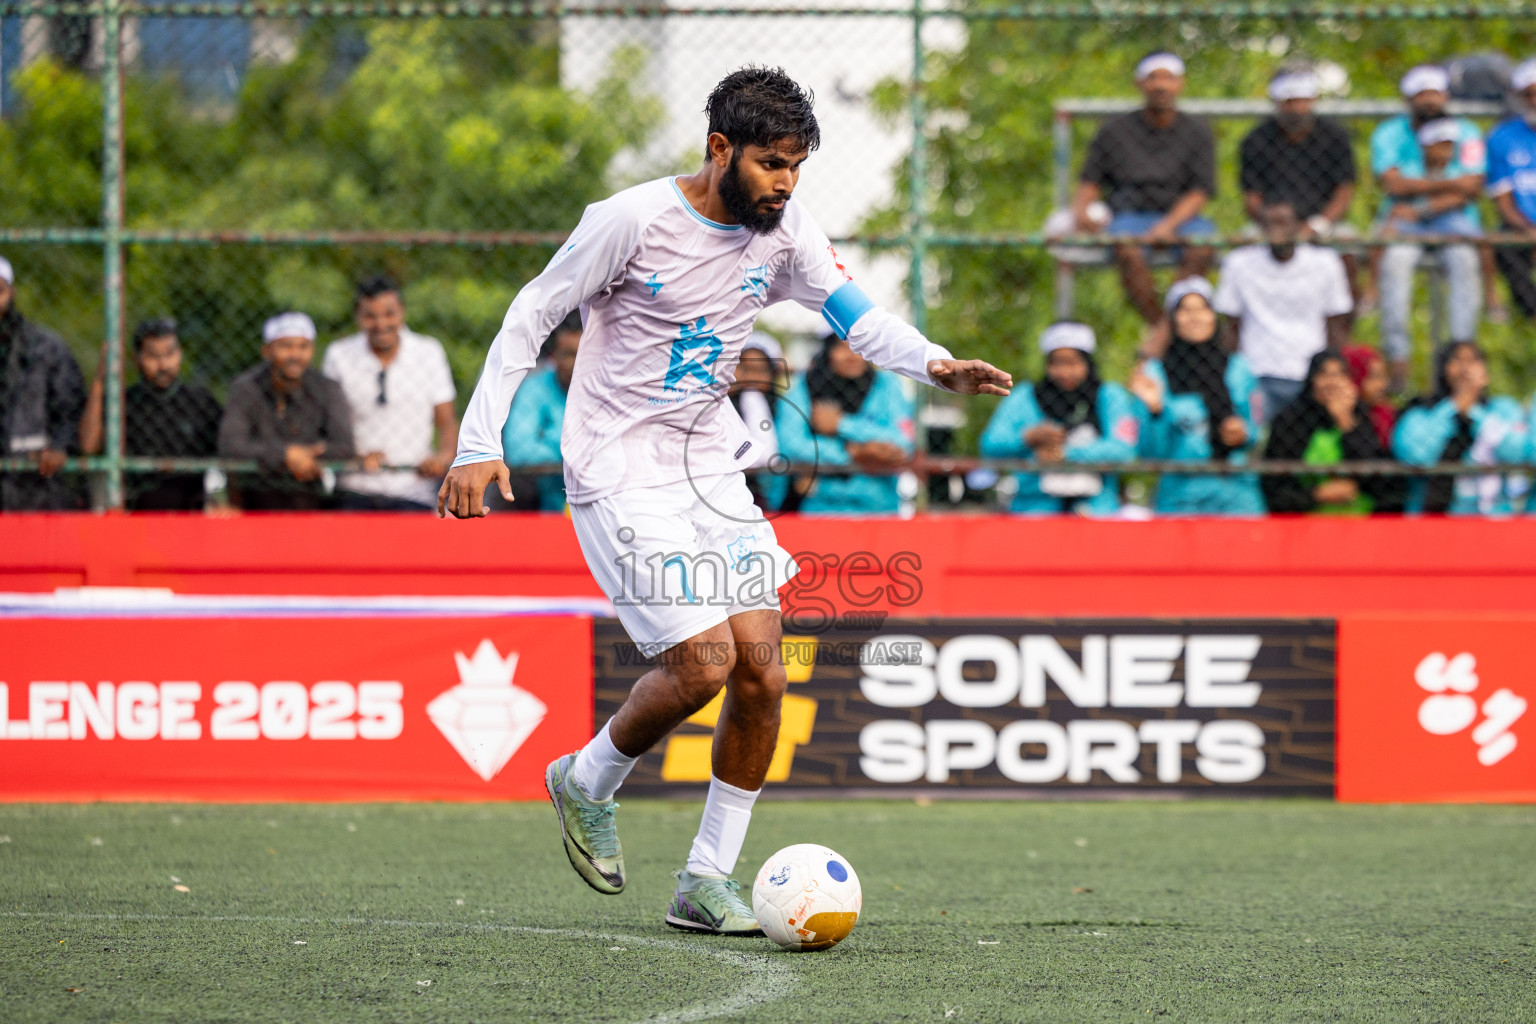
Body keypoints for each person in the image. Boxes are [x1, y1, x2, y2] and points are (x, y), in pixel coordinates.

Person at [436, 68, 1011, 935]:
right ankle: (584, 780)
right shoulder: (629, 221)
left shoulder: (787, 230)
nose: (784, 183)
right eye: (772, 163)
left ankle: (705, 880)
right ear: (720, 149)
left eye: (797, 167)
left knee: (764, 675)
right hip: (619, 469)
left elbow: (855, 316)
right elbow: (530, 316)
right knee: (701, 666)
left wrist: (933, 362)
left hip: (711, 467)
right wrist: (478, 442)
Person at [1071, 51, 1216, 325]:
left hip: (1182, 218)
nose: (1161, 85)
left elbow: (1200, 192)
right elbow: (1089, 181)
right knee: (1126, 249)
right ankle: (1163, 327)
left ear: (1180, 83)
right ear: (1139, 83)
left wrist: (1169, 226)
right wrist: (1081, 212)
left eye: (1168, 78)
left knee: (1203, 246)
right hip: (1129, 215)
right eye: (1153, 78)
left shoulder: (1197, 131)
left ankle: (1167, 326)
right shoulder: (1114, 130)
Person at [1371, 65, 1486, 390]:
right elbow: (1391, 185)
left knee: (1465, 259)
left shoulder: (1468, 131)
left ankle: (1461, 361)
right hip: (1404, 221)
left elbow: (1473, 187)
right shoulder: (1389, 133)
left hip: (1450, 219)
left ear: (1446, 95)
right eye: (1422, 94)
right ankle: (1398, 363)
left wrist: (1421, 199)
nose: (1430, 100)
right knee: (1395, 263)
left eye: (1435, 93)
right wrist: (1451, 186)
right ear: (1408, 99)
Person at [1129, 277, 1265, 516]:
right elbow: (1150, 452)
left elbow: (1256, 429)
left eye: (1203, 308)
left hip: (1235, 487)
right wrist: (1156, 412)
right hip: (1181, 492)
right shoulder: (1155, 374)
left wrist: (1243, 432)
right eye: (1185, 310)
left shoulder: (1238, 367)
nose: (1195, 317)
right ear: (1172, 320)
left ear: (1214, 316)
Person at [322, 276, 458, 511]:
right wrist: (354, 458)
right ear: (358, 317)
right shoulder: (339, 356)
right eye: (370, 316)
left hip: (413, 488)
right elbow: (326, 423)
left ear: (402, 312)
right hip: (354, 487)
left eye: (389, 314)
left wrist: (442, 458)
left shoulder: (428, 352)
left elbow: (447, 422)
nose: (380, 323)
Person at [1213, 200, 1353, 423]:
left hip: (1309, 375)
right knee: (1251, 436)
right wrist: (1234, 375)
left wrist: (1332, 373)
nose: (1275, 230)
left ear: (1298, 226)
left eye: (1282, 223)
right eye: (1269, 224)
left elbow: (1336, 325)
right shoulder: (1238, 263)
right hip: (1257, 373)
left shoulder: (1325, 263)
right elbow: (1231, 328)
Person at [979, 321, 1140, 515]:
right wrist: (1027, 438)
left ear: (1088, 362)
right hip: (1034, 508)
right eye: (1057, 363)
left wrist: (1066, 454)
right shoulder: (1026, 396)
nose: (1065, 372)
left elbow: (1125, 449)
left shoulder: (1109, 396)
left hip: (1097, 509)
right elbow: (990, 444)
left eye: (1073, 363)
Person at [79, 317, 222, 510]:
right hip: (137, 512)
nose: (163, 365)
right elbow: (89, 445)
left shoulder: (200, 401)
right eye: (153, 356)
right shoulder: (123, 403)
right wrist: (100, 378)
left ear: (180, 354)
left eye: (170, 354)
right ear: (136, 359)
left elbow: (228, 453)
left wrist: (220, 500)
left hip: (191, 512)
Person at [219, 312, 356, 510]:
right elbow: (230, 445)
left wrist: (307, 456)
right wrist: (286, 454)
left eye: (303, 347)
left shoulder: (327, 389)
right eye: (286, 346)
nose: (295, 355)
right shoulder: (245, 389)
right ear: (267, 350)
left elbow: (344, 446)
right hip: (255, 503)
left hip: (312, 503)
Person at [775, 333, 915, 515]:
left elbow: (902, 443)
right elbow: (791, 445)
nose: (852, 355)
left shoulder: (886, 384)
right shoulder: (806, 385)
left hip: (879, 508)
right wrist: (853, 452)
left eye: (859, 348)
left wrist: (842, 424)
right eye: (842, 347)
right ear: (828, 350)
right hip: (820, 507)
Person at [1261, 350, 1405, 515]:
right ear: (1311, 380)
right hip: (1301, 524)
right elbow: (1274, 489)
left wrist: (1346, 423)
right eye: (1324, 375)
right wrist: (1318, 495)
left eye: (1339, 375)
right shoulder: (1290, 421)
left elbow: (1379, 480)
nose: (1332, 382)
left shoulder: (1362, 418)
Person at [1394, 341, 1527, 515]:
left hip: (1495, 518)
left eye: (1473, 361)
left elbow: (1519, 453)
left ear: (1486, 372)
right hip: (1433, 517)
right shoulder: (1421, 413)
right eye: (1457, 360)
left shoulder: (1503, 409)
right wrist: (1453, 408)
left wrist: (1475, 413)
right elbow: (1417, 457)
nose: (1465, 368)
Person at [0, 254, 85, 511]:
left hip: (36, 484)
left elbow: (71, 405)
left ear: (11, 292)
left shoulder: (46, 348)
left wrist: (60, 445)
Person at [1239, 67, 1357, 242]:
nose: (1296, 108)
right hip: (1271, 222)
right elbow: (1251, 198)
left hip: (1324, 221)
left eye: (1302, 100)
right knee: (1245, 243)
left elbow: (1344, 193)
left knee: (1348, 242)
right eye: (1289, 101)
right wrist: (1272, 222)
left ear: (1313, 99)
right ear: (1276, 102)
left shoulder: (1335, 137)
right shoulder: (1256, 140)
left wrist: (1318, 225)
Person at [501, 311, 581, 511]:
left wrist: (550, 437)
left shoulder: (608, 387)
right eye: (568, 354)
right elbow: (520, 452)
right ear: (553, 356)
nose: (575, 363)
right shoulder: (535, 386)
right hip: (546, 501)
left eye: (583, 354)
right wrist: (576, 452)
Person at [1484, 58, 1536, 321]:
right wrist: (1530, 231)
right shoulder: (1502, 137)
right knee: (1505, 245)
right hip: (1522, 228)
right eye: (1529, 94)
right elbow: (1504, 204)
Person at [729, 332, 786, 511]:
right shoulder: (723, 404)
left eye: (761, 370)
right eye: (744, 368)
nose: (752, 376)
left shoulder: (781, 406)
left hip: (773, 490)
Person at [1342, 344, 1397, 450]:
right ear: (1355, 377)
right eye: (1373, 377)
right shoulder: (1344, 416)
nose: (1382, 385)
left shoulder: (1385, 415)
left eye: (1383, 376)